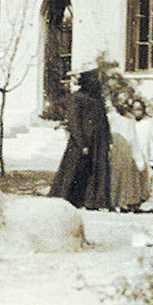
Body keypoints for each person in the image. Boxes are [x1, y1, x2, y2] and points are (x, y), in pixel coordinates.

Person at [49, 69, 111, 210]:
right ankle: (68, 199)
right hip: (82, 143)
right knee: (75, 172)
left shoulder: (97, 99)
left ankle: (93, 202)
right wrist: (81, 143)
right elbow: (74, 122)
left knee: (96, 172)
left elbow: (104, 121)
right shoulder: (77, 97)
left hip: (98, 142)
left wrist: (108, 140)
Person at [108, 90, 144, 211]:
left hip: (127, 150)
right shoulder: (111, 117)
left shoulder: (130, 119)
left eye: (125, 102)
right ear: (115, 102)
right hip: (115, 148)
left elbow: (134, 138)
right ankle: (113, 202)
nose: (123, 105)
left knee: (126, 177)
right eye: (120, 102)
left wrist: (138, 157)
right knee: (114, 176)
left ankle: (124, 202)